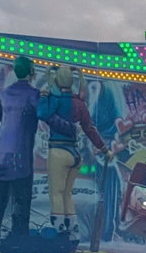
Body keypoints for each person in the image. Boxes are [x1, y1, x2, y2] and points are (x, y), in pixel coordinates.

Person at [39, 64, 106, 242]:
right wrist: (104, 149)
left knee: (56, 193)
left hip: (58, 150)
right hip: (75, 154)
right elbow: (90, 129)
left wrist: (44, 95)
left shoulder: (55, 99)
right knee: (67, 194)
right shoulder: (80, 103)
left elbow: (42, 113)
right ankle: (73, 231)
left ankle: (59, 231)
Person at [0, 55, 40, 247]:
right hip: (21, 156)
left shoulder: (3, 94)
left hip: (1, 155)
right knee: (21, 202)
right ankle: (18, 241)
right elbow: (46, 115)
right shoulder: (34, 95)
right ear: (31, 71)